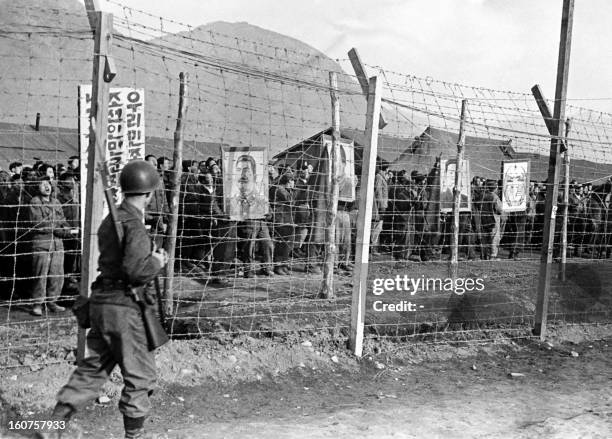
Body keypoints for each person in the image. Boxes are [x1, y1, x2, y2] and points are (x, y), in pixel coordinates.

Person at [47, 160, 168, 439]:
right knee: (141, 377)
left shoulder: (110, 222)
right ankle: (133, 436)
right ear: (149, 194)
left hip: (102, 304)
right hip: (125, 309)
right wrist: (156, 262)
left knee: (91, 372)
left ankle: (50, 429)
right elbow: (136, 272)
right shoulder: (134, 227)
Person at [28, 177, 74, 316]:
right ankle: (37, 303)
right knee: (40, 275)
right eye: (42, 184)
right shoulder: (35, 202)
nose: (46, 186)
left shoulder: (56, 202)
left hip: (57, 243)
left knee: (57, 274)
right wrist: (58, 228)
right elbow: (38, 223)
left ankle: (52, 301)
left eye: (48, 184)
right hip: (42, 243)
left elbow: (63, 221)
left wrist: (67, 228)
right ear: (37, 188)